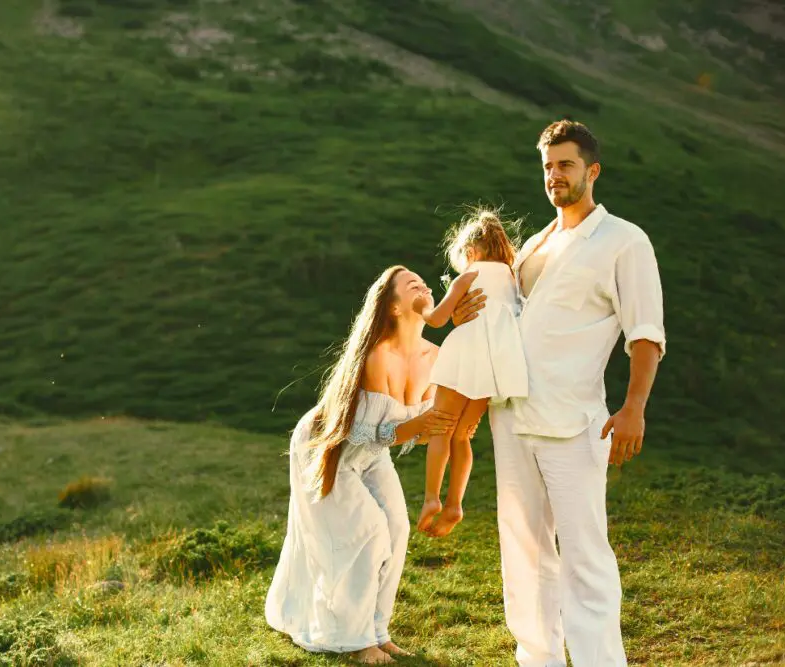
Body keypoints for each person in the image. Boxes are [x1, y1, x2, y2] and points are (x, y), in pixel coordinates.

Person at [452, 120, 666, 666]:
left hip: (575, 423)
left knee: (585, 556)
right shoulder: (534, 245)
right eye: (548, 166)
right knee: (523, 553)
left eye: (566, 164)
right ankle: (537, 658)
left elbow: (645, 333)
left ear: (592, 171)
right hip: (512, 417)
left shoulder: (623, 240)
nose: (555, 175)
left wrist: (634, 406)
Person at [265, 265, 462, 664]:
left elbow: (415, 432)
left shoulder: (435, 356)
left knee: (397, 528)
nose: (424, 286)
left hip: (372, 454)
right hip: (328, 448)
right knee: (370, 532)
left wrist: (445, 428)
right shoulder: (377, 356)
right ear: (392, 307)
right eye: (412, 285)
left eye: (425, 283)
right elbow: (361, 434)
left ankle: (377, 630)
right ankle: (356, 641)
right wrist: (418, 426)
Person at [413, 208, 529, 538]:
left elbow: (436, 319)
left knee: (441, 426)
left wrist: (421, 305)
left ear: (471, 251)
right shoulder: (512, 277)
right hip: (493, 365)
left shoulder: (469, 275)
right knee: (462, 434)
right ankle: (455, 504)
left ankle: (432, 498)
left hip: (464, 354)